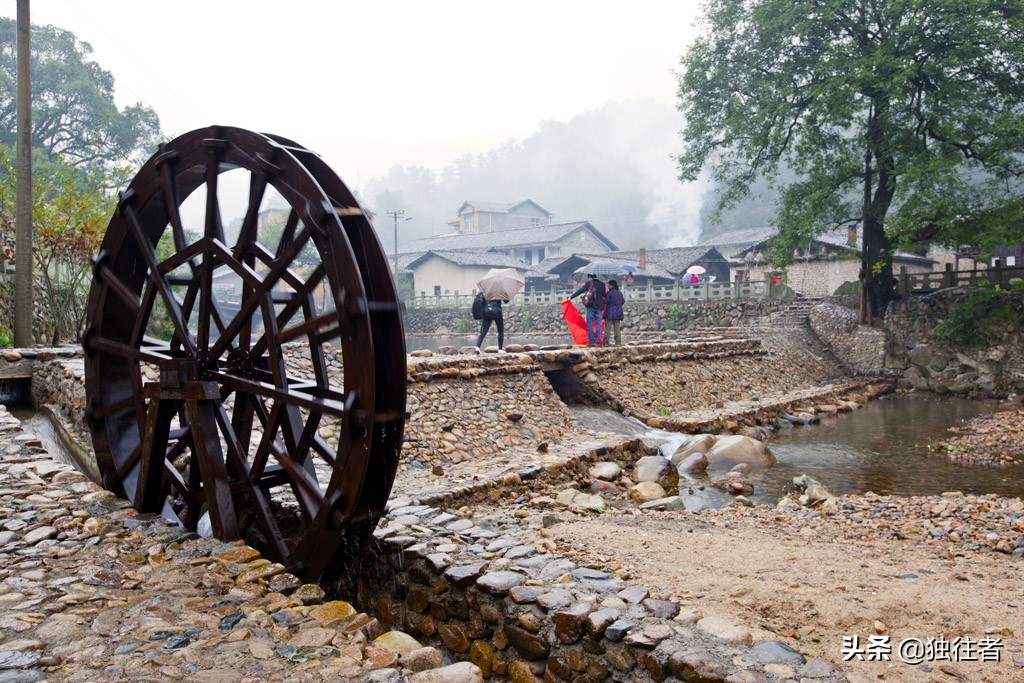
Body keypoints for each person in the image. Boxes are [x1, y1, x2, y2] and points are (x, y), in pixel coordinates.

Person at [568, 273, 606, 346]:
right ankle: (598, 340)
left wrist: (571, 297)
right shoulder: (601, 284)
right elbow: (604, 295)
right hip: (599, 307)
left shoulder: (589, 283)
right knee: (598, 324)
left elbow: (580, 291)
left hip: (590, 306)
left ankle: (591, 341)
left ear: (589, 277)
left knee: (590, 324)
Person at [603, 279, 625, 346]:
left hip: (610, 312)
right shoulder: (619, 293)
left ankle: (606, 342)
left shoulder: (609, 293)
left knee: (607, 328)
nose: (608, 286)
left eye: (608, 285)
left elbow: (606, 301)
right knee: (617, 328)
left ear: (612, 285)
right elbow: (623, 301)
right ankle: (618, 342)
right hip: (618, 312)